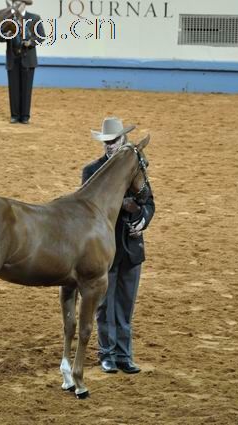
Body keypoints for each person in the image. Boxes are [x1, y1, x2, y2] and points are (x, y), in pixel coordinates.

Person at [81, 117, 155, 374]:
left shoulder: (134, 166)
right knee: (104, 305)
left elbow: (149, 201)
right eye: (106, 142)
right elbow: (86, 210)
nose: (110, 146)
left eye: (114, 141)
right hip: (104, 249)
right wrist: (122, 205)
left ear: (123, 140)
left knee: (125, 305)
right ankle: (107, 354)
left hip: (131, 247)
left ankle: (124, 355)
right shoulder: (91, 172)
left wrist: (143, 220)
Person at [4, 1, 45, 124]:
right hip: (13, 58)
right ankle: (14, 115)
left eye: (18, 2)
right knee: (14, 89)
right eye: (14, 2)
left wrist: (30, 43)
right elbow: (0, 36)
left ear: (24, 4)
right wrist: (7, 35)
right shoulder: (8, 18)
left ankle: (25, 116)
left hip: (28, 58)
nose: (16, 4)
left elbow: (41, 36)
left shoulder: (34, 18)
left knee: (26, 89)